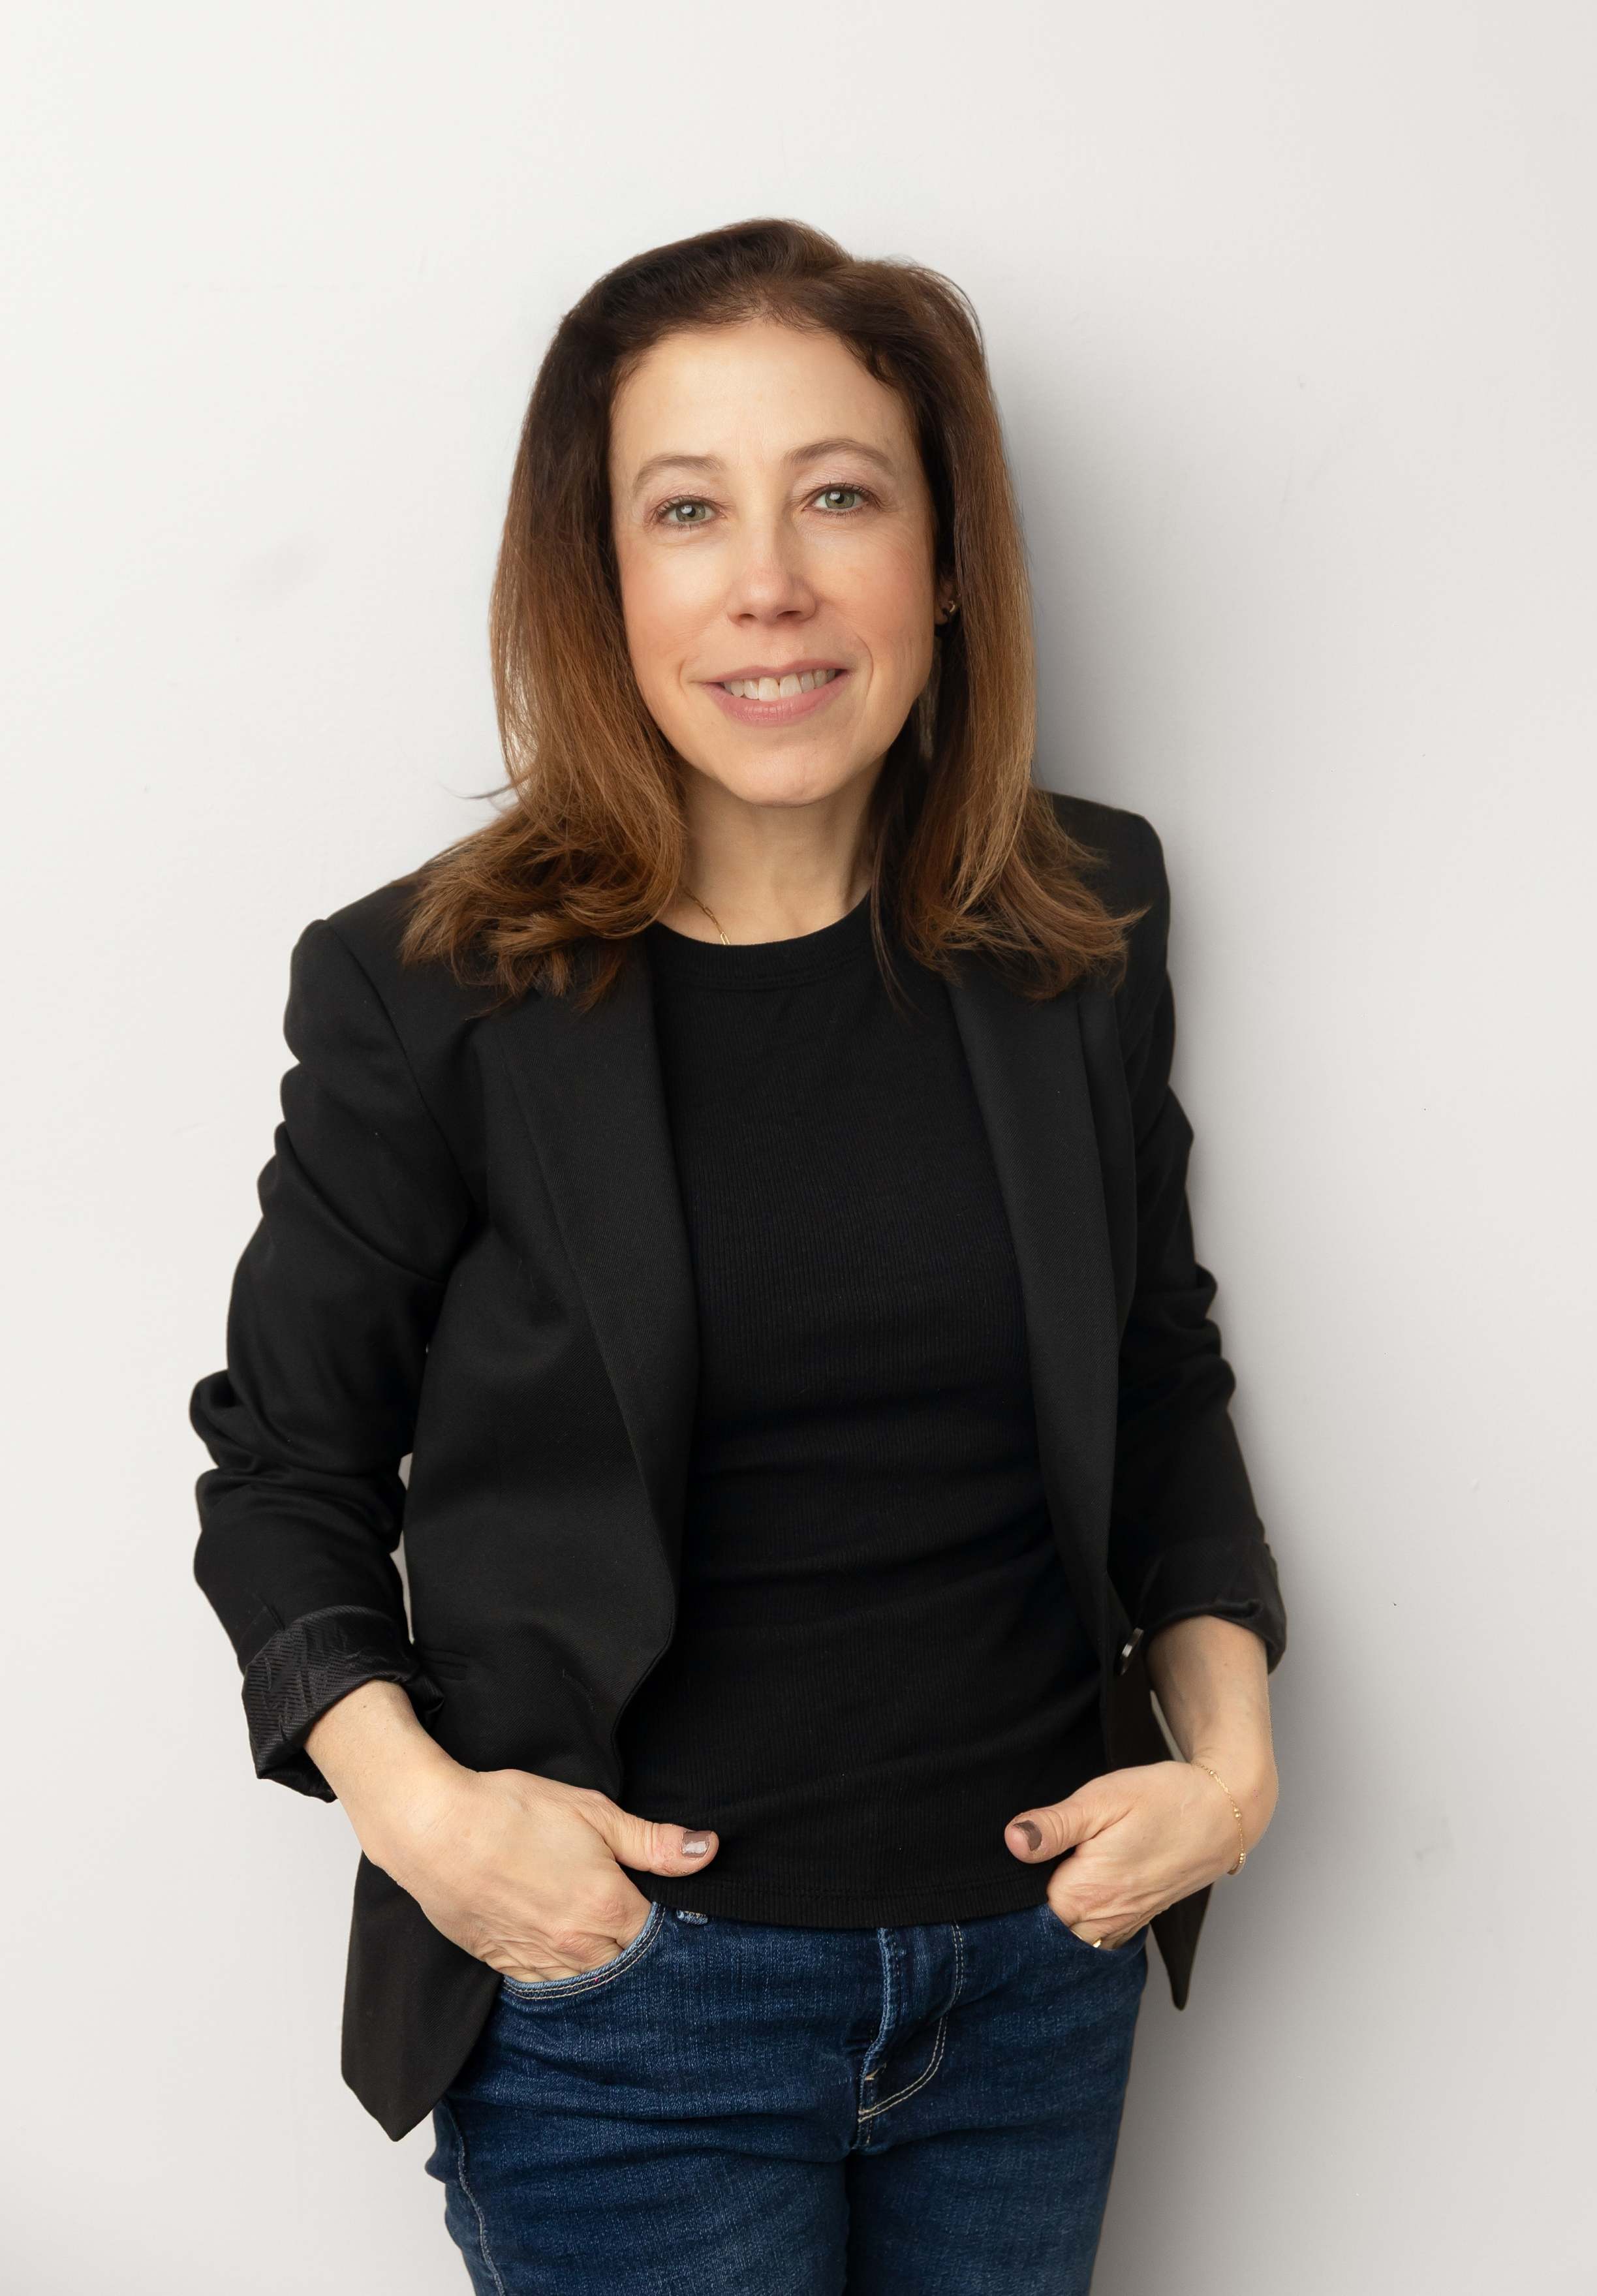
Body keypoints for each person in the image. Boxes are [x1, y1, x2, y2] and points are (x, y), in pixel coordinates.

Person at [188, 217, 1288, 2296]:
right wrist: (436, 1827)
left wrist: (1225, 1766)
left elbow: (1155, 1367)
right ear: (600, 580)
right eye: (686, 511)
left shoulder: (1083, 920)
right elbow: (284, 1474)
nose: (768, 581)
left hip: (1036, 1970)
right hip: (629, 2010)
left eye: (840, 497)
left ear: (945, 563)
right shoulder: (426, 989)